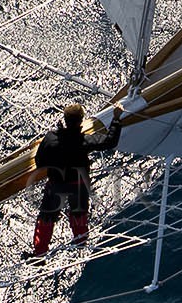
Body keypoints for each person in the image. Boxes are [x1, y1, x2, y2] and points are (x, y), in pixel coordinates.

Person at [28, 103, 123, 258]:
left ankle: (39, 253)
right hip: (77, 186)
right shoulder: (84, 141)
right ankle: (81, 242)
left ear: (65, 119)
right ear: (81, 121)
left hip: (56, 184)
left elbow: (40, 161)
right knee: (78, 215)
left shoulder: (51, 138)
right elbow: (110, 141)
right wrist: (116, 119)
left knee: (46, 218)